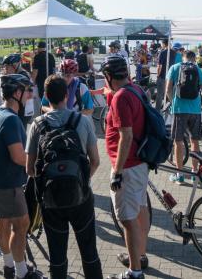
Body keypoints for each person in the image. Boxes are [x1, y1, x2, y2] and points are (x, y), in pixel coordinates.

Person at [26, 75, 102, 279]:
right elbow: (95, 161)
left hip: (51, 202)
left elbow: (29, 168)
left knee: (57, 256)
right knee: (89, 251)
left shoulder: (37, 124)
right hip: (81, 198)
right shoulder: (83, 121)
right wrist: (83, 180)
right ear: (67, 95)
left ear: (45, 97)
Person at [0, 74, 42, 279]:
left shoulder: (1, 112)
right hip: (6, 183)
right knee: (21, 224)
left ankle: (9, 266)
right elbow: (18, 157)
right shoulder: (10, 120)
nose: (30, 95)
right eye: (27, 91)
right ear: (17, 93)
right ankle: (21, 272)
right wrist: (38, 167)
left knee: (5, 222)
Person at [101, 56, 150, 278]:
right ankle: (140, 255)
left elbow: (126, 136)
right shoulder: (135, 89)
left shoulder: (121, 97)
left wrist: (117, 172)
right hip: (139, 162)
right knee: (140, 209)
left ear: (110, 77)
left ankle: (134, 272)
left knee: (127, 219)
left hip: (127, 166)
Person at [164, 50, 202, 184]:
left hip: (179, 109)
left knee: (178, 141)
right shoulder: (198, 70)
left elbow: (168, 90)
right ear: (194, 59)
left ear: (183, 57)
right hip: (195, 110)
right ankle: (194, 173)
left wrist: (172, 102)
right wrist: (198, 102)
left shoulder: (175, 67)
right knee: (194, 141)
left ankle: (180, 175)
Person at [32, 42, 56, 107]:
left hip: (41, 81)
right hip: (50, 79)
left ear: (38, 48)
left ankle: (44, 111)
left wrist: (32, 82)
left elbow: (35, 71)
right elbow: (54, 70)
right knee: (50, 97)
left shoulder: (37, 57)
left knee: (42, 98)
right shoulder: (50, 56)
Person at [153, 40, 172, 110]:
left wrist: (158, 75)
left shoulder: (163, 52)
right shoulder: (174, 53)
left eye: (162, 44)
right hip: (171, 77)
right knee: (169, 93)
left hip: (163, 76)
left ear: (164, 44)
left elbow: (159, 66)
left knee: (160, 94)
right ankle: (169, 108)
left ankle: (157, 110)